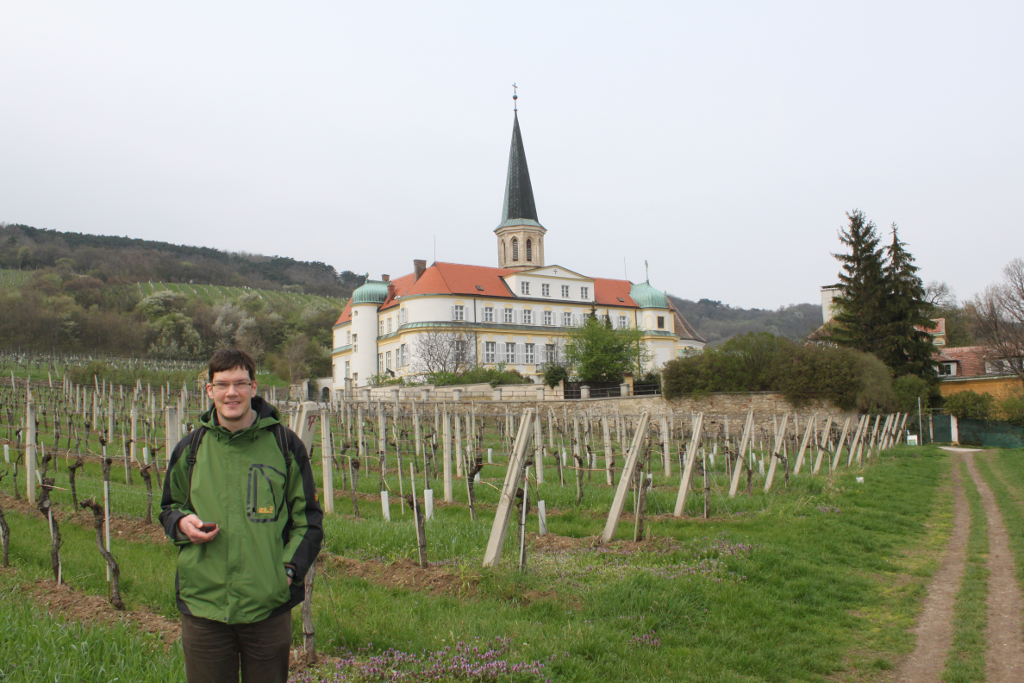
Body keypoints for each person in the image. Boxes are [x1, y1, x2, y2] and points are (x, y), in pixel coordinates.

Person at [160, 348, 323, 683]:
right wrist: (180, 523)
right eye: (222, 384)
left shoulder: (285, 446)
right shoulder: (190, 449)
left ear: (253, 386)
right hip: (203, 604)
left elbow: (308, 520)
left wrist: (288, 571)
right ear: (209, 390)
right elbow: (168, 507)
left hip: (267, 606)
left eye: (239, 383)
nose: (231, 392)